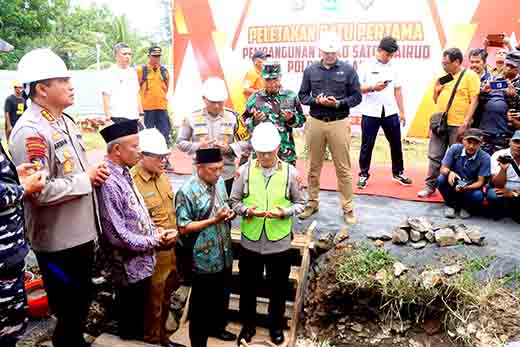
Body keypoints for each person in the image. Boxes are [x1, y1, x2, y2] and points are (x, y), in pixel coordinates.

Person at [9, 48, 110, 347]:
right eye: (63, 80)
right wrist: (85, 179)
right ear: (41, 89)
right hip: (57, 242)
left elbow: (71, 170)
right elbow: (38, 192)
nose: (71, 85)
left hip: (79, 235)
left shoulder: (63, 120)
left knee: (80, 303)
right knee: (67, 308)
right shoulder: (30, 132)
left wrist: (91, 174)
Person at [97, 119, 175, 341]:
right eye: (134, 146)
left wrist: (155, 231)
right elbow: (118, 235)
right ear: (117, 150)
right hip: (128, 268)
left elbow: (137, 216)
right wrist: (155, 241)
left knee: (141, 316)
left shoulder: (123, 173)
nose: (139, 151)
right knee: (131, 328)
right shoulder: (109, 182)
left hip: (142, 264)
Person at [230, 122, 305, 345]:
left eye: (269, 152)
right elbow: (234, 201)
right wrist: (246, 210)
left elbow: (301, 203)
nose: (264, 157)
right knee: (248, 288)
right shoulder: (244, 171)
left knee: (278, 290)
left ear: (277, 148)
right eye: (260, 153)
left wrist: (286, 212)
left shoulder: (291, 173)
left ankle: (275, 327)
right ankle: (248, 326)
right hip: (250, 241)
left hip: (278, 243)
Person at [298, 32, 362, 224]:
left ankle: (348, 208)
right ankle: (312, 203)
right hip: (316, 122)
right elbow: (302, 96)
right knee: (312, 167)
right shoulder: (310, 71)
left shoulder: (348, 70)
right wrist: (316, 100)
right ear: (321, 51)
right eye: (326, 52)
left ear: (337, 52)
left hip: (339, 122)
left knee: (343, 169)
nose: (329, 56)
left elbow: (357, 97)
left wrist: (338, 103)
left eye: (333, 52)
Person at [175, 148, 236, 347]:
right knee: (201, 307)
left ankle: (218, 329)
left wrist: (229, 214)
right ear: (199, 168)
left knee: (221, 297)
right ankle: (198, 343)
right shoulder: (186, 191)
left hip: (224, 253)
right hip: (203, 258)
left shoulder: (219, 183)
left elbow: (225, 205)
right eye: (213, 169)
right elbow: (183, 227)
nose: (219, 174)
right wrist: (213, 220)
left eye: (220, 168)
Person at [131, 128, 179, 346]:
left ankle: (162, 335)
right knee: (153, 300)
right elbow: (132, 224)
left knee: (166, 295)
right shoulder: (132, 182)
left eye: (165, 156)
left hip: (170, 252)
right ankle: (151, 338)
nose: (164, 161)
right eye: (159, 157)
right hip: (150, 254)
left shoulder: (162, 177)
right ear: (142, 156)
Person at [417, 48, 481, 198]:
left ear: (457, 62)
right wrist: (436, 91)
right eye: (442, 63)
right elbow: (436, 100)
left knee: (458, 158)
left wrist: (466, 122)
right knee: (434, 155)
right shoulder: (444, 76)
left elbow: (474, 100)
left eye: (446, 63)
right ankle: (429, 186)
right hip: (440, 122)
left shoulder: (470, 76)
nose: (443, 66)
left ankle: (457, 189)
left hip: (458, 123)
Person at [0, 145, 46, 347]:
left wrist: (12, 175)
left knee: (14, 325)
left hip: (9, 256)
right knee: (7, 330)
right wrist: (23, 188)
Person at [177, 77, 249, 195]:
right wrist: (198, 146)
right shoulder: (191, 117)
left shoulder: (234, 117)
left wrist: (229, 148)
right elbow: (180, 142)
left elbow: (248, 142)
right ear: (204, 99)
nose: (216, 106)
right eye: (212, 102)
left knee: (226, 209)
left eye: (220, 102)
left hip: (226, 175)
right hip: (200, 175)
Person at [357, 36, 412, 189]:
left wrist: (402, 111)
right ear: (379, 50)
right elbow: (356, 88)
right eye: (387, 54)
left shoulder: (394, 67)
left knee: (396, 144)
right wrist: (373, 87)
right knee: (367, 145)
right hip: (370, 112)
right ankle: (363, 174)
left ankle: (399, 172)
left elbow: (398, 89)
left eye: (392, 55)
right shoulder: (365, 66)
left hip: (390, 111)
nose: (389, 58)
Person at [242, 62, 306, 166]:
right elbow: (245, 121)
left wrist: (291, 119)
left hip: (285, 152)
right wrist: (255, 121)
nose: (271, 83)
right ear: (262, 79)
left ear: (280, 77)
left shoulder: (290, 96)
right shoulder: (255, 97)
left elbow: (301, 120)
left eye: (275, 79)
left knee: (286, 181)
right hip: (261, 152)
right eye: (268, 80)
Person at [437, 128, 490, 218]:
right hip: (454, 182)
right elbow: (443, 168)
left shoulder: (485, 157)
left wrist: (466, 187)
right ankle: (450, 204)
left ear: (481, 143)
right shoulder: (454, 148)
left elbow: (480, 182)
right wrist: (450, 172)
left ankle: (467, 207)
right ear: (463, 140)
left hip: (471, 185)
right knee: (440, 179)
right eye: (469, 142)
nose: (471, 146)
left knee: (478, 196)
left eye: (476, 143)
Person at [476, 50, 518, 154]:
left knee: (499, 166)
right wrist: (483, 93)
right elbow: (478, 105)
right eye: (506, 64)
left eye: (512, 66)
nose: (508, 68)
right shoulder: (493, 80)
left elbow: (516, 111)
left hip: (504, 135)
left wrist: (513, 97)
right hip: (485, 132)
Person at [102, 42, 144, 125]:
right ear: (116, 56)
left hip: (133, 117)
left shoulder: (133, 72)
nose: (127, 56)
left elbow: (137, 94)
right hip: (117, 117)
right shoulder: (110, 73)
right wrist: (107, 116)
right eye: (124, 54)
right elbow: (105, 95)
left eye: (129, 54)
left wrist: (141, 113)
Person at [137, 46, 171, 145]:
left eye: (158, 56)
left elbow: (166, 89)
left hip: (161, 108)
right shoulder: (141, 71)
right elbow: (136, 90)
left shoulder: (164, 72)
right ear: (149, 56)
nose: (156, 58)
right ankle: (148, 158)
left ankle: (164, 158)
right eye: (154, 56)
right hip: (147, 109)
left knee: (164, 134)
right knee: (147, 135)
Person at [487, 130, 520, 223]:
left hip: (518, 189)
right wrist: (503, 169)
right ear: (510, 142)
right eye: (516, 142)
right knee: (494, 194)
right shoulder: (499, 155)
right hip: (502, 186)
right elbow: (496, 183)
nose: (519, 145)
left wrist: (513, 193)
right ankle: (500, 210)